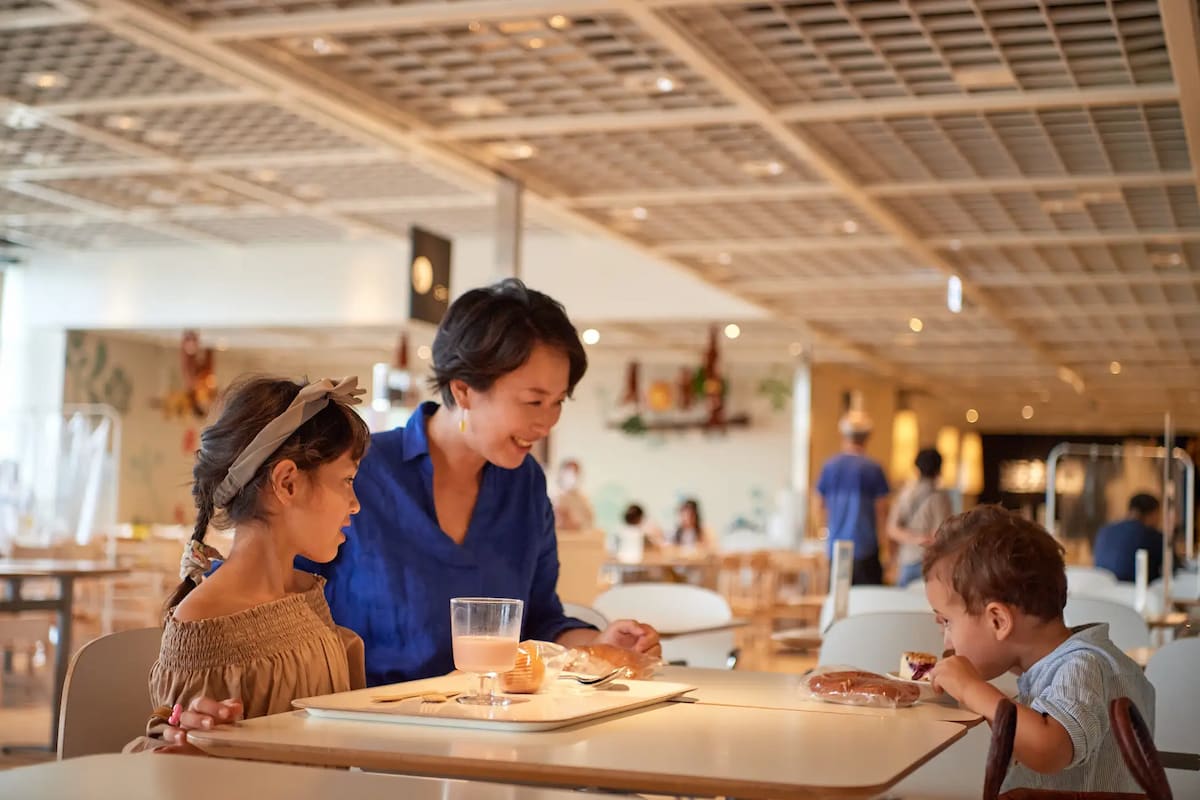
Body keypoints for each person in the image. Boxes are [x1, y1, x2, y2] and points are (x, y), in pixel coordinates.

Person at [302, 279, 659, 686]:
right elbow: (279, 599)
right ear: (464, 390)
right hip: (363, 728)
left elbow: (540, 619)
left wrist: (600, 642)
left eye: (558, 401)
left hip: (494, 728)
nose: (547, 422)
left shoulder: (524, 485)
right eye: (533, 401)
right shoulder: (360, 469)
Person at [133, 375, 371, 753]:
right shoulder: (206, 623)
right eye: (347, 480)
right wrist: (181, 733)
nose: (355, 503)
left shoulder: (305, 594)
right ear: (287, 482)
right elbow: (172, 749)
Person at [923, 506, 1155, 794]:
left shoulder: (1083, 666)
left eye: (947, 621)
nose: (946, 640)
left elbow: (1050, 750)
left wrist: (971, 688)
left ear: (998, 620)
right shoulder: (1066, 666)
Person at [816, 411, 890, 585]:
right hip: (866, 550)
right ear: (867, 438)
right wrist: (886, 549)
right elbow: (882, 511)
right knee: (867, 603)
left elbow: (819, 505)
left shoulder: (830, 466)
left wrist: (825, 534)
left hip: (837, 549)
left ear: (843, 436)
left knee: (839, 603)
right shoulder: (874, 468)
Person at [887, 448, 953, 587]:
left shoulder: (906, 493)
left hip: (907, 559)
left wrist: (914, 539)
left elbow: (892, 528)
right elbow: (942, 532)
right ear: (939, 468)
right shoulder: (941, 497)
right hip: (930, 561)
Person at [1092, 493, 1165, 583]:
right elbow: (1173, 569)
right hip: (1136, 593)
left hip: (1102, 591)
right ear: (1153, 514)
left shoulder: (1104, 530)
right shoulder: (1153, 536)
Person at [553, 458, 595, 531]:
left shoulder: (582, 499)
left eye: (574, 473)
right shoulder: (553, 496)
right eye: (568, 473)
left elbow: (588, 524)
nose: (571, 477)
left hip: (576, 539)